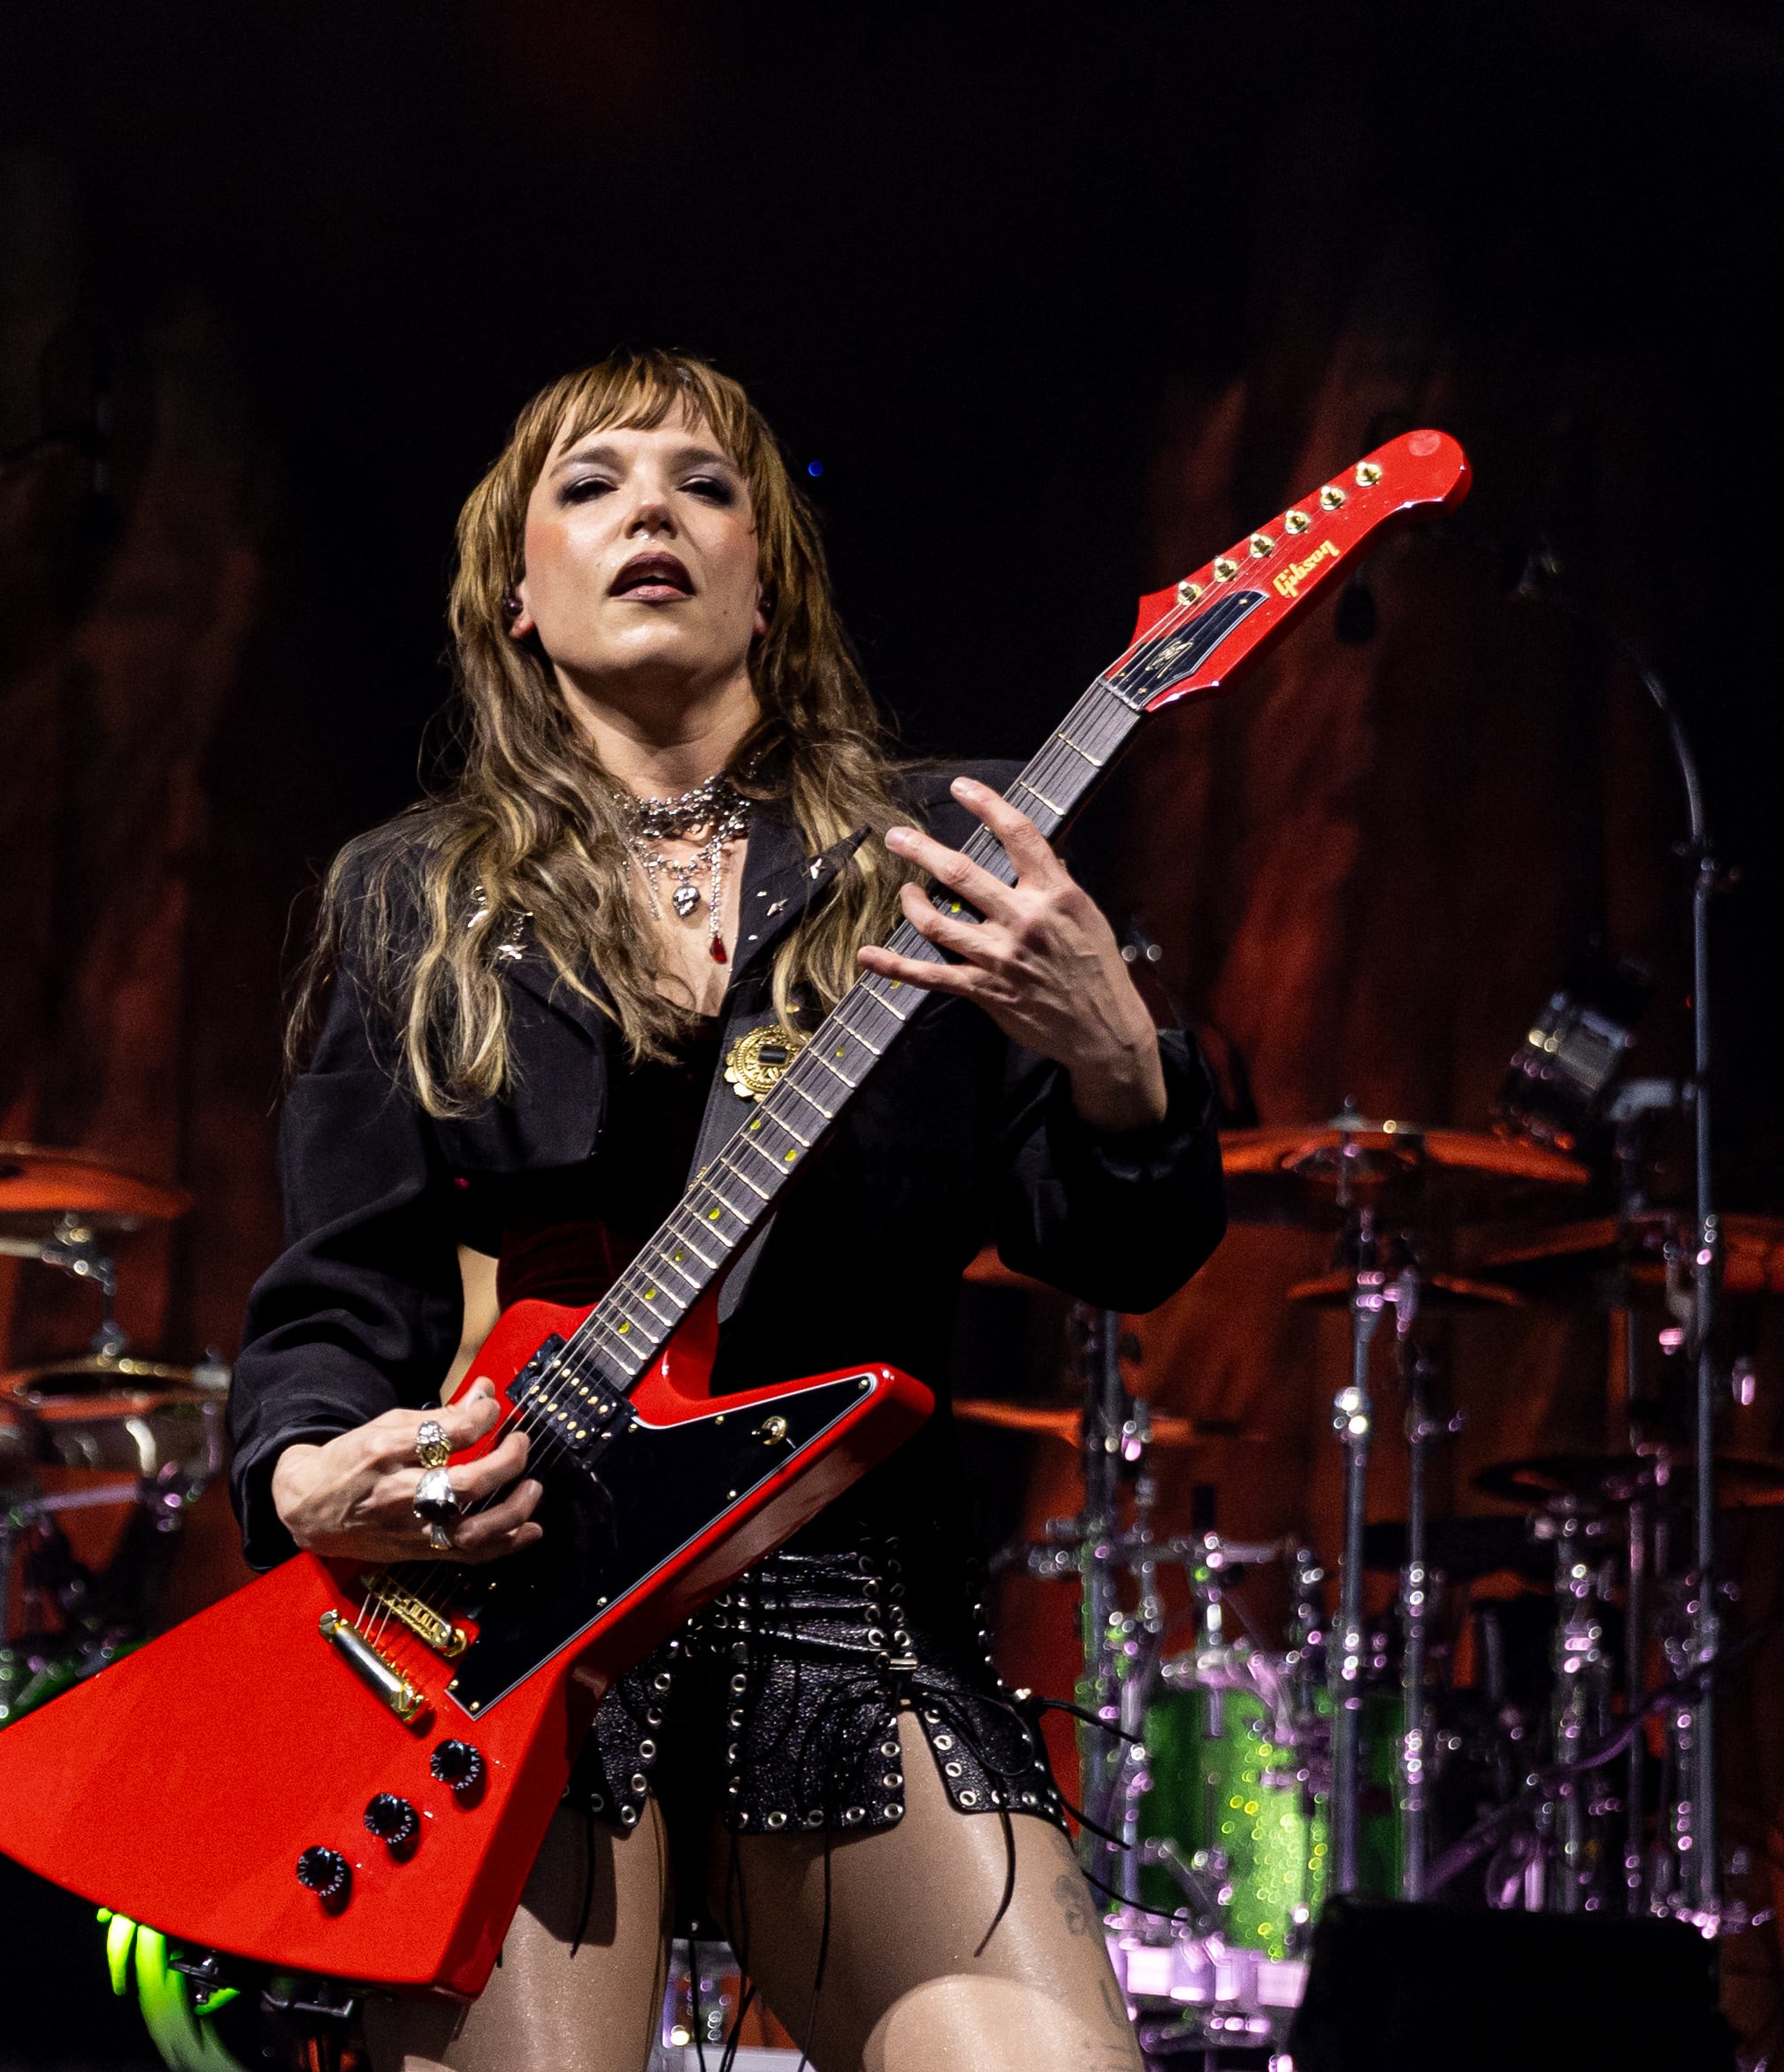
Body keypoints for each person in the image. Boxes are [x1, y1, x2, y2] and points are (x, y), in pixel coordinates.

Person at [226, 348, 1224, 2072]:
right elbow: (339, 1294)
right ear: (514, 594)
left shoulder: (942, 859)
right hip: (504, 1611)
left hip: (833, 1597)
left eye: (703, 484)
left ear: (771, 579)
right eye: (591, 485)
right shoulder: (407, 896)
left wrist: (1121, 1064)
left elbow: (1115, 1247)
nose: (651, 515)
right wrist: (300, 1468)